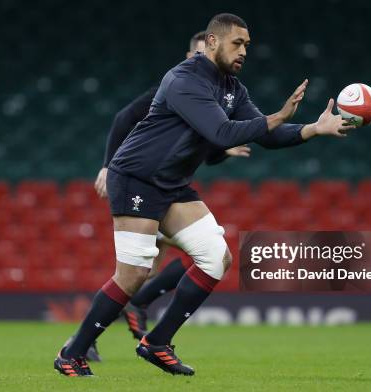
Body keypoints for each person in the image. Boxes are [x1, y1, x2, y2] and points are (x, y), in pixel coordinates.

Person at [55, 13, 354, 377]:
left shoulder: (232, 88)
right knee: (133, 274)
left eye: (247, 45)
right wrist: (277, 116)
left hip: (172, 185)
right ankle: (73, 352)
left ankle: (157, 342)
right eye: (237, 43)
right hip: (135, 178)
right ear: (212, 42)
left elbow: (266, 136)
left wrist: (313, 129)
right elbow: (223, 133)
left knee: (216, 257)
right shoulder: (184, 79)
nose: (244, 50)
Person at [92, 31, 250, 348]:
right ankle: (91, 336)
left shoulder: (213, 98)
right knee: (139, 273)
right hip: (142, 183)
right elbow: (125, 117)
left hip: (169, 188)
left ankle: (100, 330)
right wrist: (108, 165)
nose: (197, 60)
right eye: (194, 55)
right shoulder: (174, 89)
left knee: (151, 271)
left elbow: (208, 149)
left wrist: (222, 150)